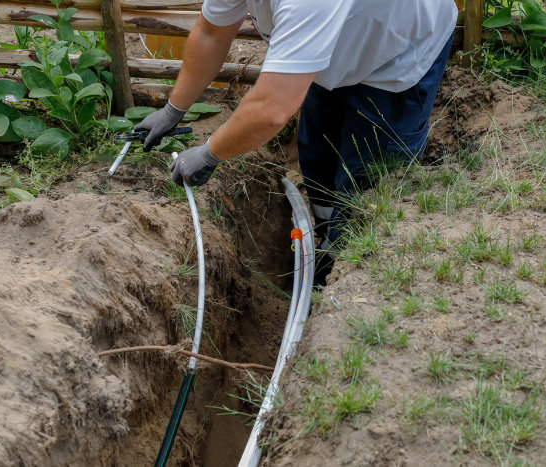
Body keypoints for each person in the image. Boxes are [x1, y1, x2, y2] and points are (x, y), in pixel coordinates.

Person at [134, 0, 457, 285]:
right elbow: (211, 34)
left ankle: (345, 271)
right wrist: (173, 109)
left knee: (366, 187)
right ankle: (326, 235)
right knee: (318, 157)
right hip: (337, 48)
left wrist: (209, 153)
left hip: (397, 58)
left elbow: (272, 110)